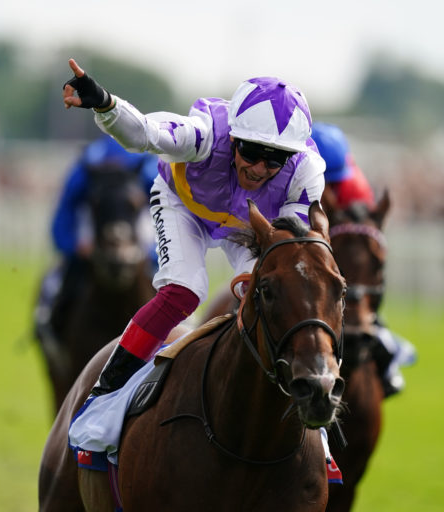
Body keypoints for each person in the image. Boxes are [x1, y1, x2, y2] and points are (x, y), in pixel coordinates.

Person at [62, 58, 327, 468]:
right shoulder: (204, 135)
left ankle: (316, 430)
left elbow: (294, 250)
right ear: (234, 138)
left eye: (274, 159)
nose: (259, 168)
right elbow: (144, 135)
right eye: (252, 151)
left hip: (248, 227)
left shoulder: (306, 173)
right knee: (184, 291)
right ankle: (104, 398)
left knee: (280, 297)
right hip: (182, 206)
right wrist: (104, 103)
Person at [311, 122, 416, 397]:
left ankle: (383, 346)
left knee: (364, 270)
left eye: (335, 181)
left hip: (337, 251)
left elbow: (363, 236)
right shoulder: (284, 178)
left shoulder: (353, 185)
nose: (331, 189)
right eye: (326, 181)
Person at [33, 135, 158, 346]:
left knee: (172, 283)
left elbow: (170, 212)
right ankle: (51, 325)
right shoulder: (87, 163)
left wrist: (153, 252)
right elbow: (64, 214)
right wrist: (74, 246)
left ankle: (184, 328)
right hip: (94, 240)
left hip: (140, 238)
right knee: (58, 280)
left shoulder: (147, 165)